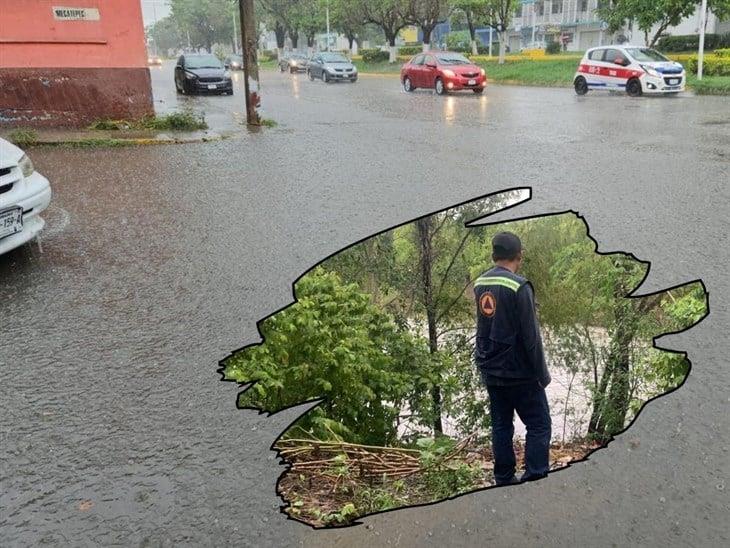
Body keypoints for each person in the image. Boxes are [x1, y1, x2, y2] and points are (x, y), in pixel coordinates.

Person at [474, 231, 552, 486]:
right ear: (520, 255)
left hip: (492, 371)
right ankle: (535, 476)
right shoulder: (519, 286)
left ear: (493, 255)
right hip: (520, 372)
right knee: (539, 424)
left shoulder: (479, 283)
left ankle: (504, 478)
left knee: (501, 426)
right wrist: (542, 374)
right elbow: (531, 337)